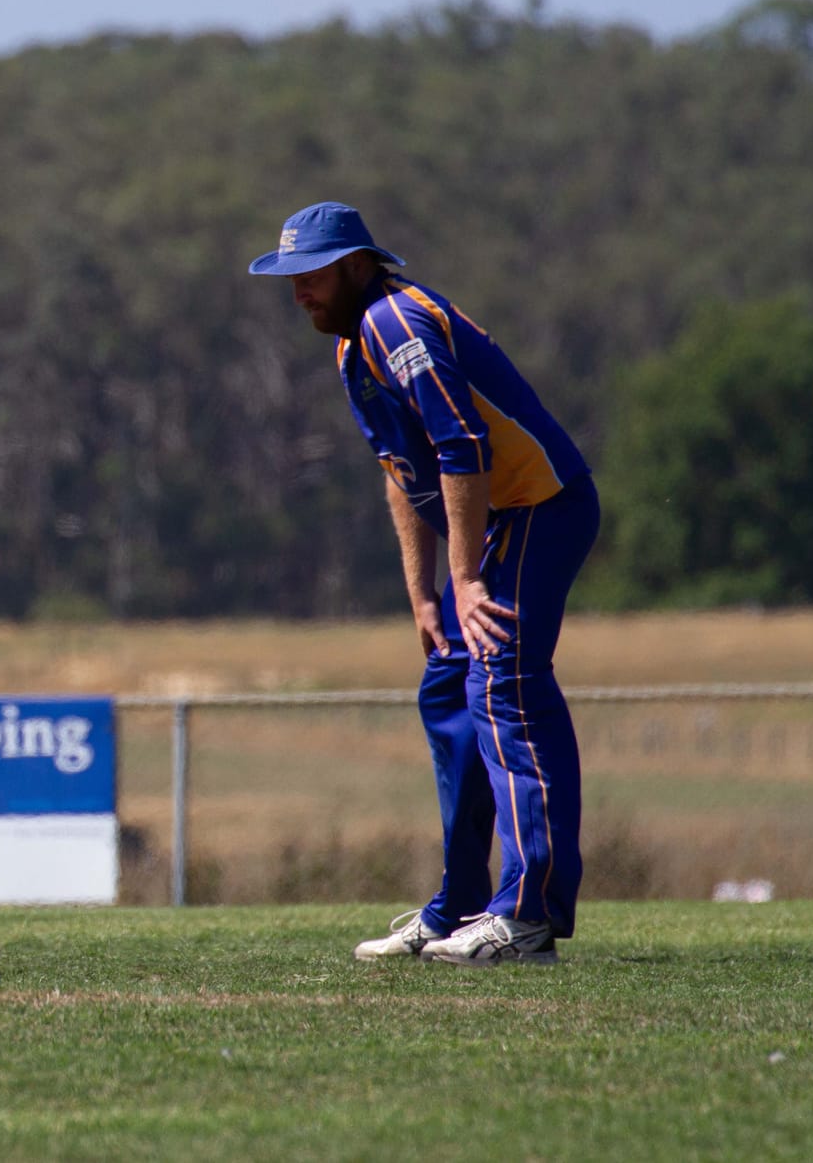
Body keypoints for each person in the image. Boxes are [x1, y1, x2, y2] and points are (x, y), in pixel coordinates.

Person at [248, 201, 599, 967]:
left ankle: (528, 916)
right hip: (495, 522)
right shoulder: (352, 349)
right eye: (289, 279)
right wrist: (425, 594)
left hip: (541, 503)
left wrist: (466, 575)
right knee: (449, 684)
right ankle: (459, 908)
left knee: (505, 678)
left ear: (354, 264)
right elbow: (404, 474)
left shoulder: (395, 322)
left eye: (309, 274)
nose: (298, 291)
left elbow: (462, 442)